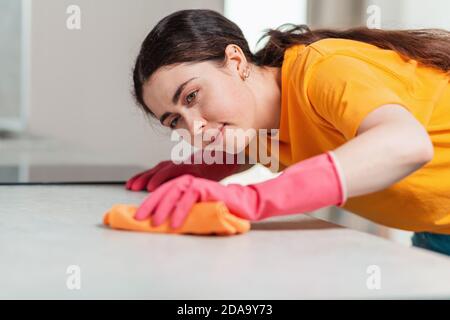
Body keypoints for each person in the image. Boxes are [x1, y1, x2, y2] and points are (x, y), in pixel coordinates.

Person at [126, 9, 450, 256]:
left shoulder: (322, 69)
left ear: (236, 61)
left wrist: (252, 199)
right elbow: (279, 143)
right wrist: (206, 167)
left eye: (192, 96)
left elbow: (406, 144)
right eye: (174, 121)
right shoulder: (256, 124)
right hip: (434, 233)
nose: (193, 129)